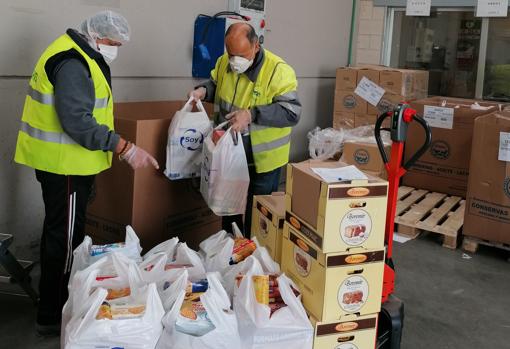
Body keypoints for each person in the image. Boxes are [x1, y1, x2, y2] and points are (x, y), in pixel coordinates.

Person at [13, 11, 158, 336]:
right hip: (65, 167)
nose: (116, 48)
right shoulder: (73, 63)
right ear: (97, 37)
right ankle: (53, 316)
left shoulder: (75, 52)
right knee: (64, 242)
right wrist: (124, 147)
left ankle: (55, 304)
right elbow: (77, 121)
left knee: (59, 234)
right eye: (114, 43)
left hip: (66, 165)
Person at [189, 23, 301, 236]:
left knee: (257, 217)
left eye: (241, 54)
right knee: (228, 209)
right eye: (231, 54)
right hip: (230, 154)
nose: (235, 61)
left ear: (256, 45)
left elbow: (292, 112)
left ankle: (252, 261)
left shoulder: (278, 71)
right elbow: (216, 84)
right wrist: (204, 90)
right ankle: (230, 254)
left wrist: (251, 114)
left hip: (263, 160)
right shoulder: (224, 62)